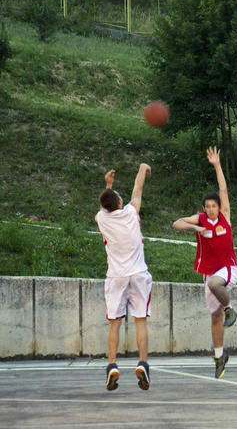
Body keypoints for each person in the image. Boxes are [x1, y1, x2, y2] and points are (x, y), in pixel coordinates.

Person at [172, 146, 237, 379]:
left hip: (228, 269)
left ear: (219, 207)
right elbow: (176, 223)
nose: (211, 209)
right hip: (209, 272)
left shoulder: (225, 217)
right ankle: (219, 356)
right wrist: (196, 228)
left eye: (214, 206)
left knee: (214, 285)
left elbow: (223, 189)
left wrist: (217, 165)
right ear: (204, 208)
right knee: (214, 316)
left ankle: (230, 309)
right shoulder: (200, 219)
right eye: (207, 206)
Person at [95, 164, 153, 391]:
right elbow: (138, 188)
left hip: (116, 277)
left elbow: (104, 207)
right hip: (138, 274)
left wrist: (108, 185)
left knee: (114, 323)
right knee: (140, 320)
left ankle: (111, 365)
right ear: (119, 202)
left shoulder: (102, 219)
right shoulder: (131, 212)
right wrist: (142, 168)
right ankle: (143, 363)